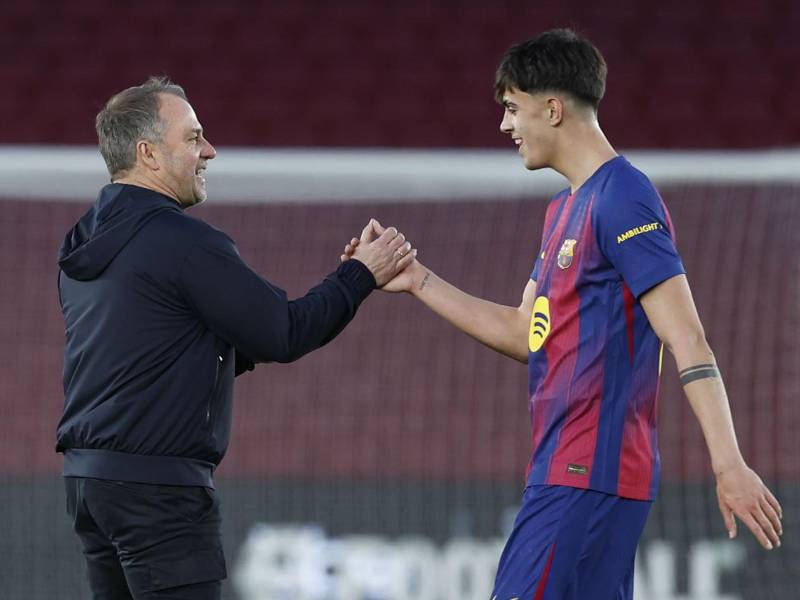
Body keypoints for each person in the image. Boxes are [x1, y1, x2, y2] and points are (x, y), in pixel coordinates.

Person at [343, 29, 783, 600]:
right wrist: (417, 280)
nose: (505, 126)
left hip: (586, 473)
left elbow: (689, 339)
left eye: (512, 108)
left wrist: (728, 466)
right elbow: (527, 333)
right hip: (572, 469)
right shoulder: (562, 211)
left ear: (552, 108)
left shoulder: (625, 196)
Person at [56, 76, 415, 600]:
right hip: (160, 493)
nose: (210, 151)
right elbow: (283, 333)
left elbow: (161, 352)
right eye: (194, 137)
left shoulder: (78, 246)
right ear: (148, 154)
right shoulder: (184, 242)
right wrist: (360, 275)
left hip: (88, 487)